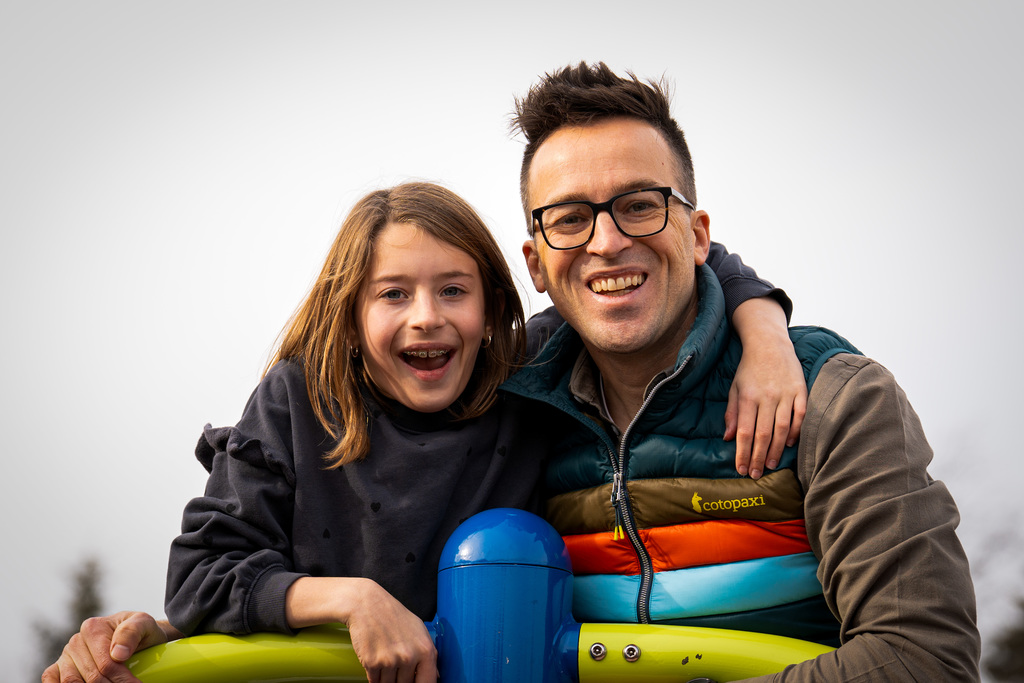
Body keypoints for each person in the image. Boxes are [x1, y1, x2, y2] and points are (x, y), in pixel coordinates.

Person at [42, 177, 804, 683]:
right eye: (393, 294)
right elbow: (203, 575)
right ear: (350, 313)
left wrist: (764, 330)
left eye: (453, 290)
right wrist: (350, 600)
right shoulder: (299, 401)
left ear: (494, 305)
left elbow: (695, 257)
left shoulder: (524, 375)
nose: (427, 316)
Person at [497, 63, 980, 680]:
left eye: (640, 205)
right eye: (569, 218)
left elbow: (924, 660)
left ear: (698, 237)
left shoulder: (837, 400)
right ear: (537, 265)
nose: (607, 241)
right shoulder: (504, 411)